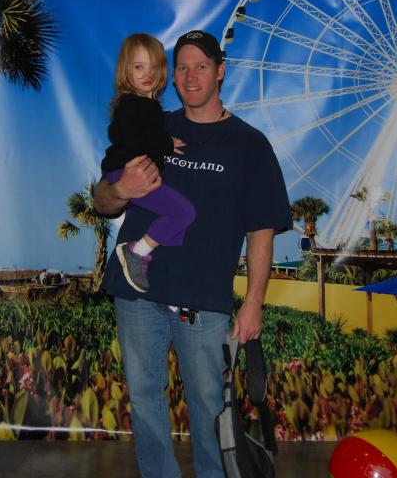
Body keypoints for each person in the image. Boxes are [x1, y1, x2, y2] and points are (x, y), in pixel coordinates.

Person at [94, 30, 291, 478]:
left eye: (201, 66)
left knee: (208, 407)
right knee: (145, 401)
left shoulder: (250, 144)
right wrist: (120, 189)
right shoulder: (151, 125)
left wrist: (254, 302)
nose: (190, 76)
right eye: (182, 67)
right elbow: (102, 199)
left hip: (202, 302)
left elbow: (262, 231)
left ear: (220, 71)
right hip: (136, 292)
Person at [100, 33, 196, 293]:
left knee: (174, 228)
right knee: (184, 213)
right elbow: (137, 140)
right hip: (125, 174)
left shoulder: (147, 107)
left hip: (129, 174)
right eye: (138, 67)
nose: (148, 74)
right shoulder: (132, 104)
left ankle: (163, 274)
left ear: (163, 72)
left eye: (154, 67)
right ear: (125, 71)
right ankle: (136, 252)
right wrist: (167, 144)